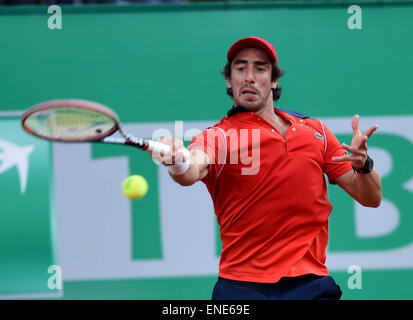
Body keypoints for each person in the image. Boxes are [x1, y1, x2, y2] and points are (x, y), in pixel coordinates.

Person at [148, 36, 382, 300]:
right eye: (240, 68)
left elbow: (371, 198)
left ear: (274, 81)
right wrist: (178, 161)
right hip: (241, 288)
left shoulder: (315, 132)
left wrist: (365, 165)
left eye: (259, 69)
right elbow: (192, 170)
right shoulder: (217, 137)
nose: (249, 77)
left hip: (310, 283)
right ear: (229, 80)